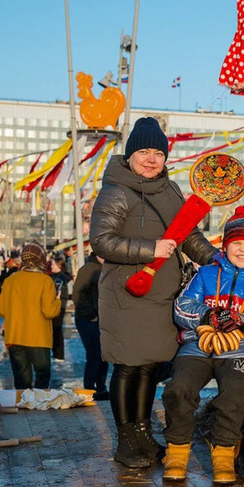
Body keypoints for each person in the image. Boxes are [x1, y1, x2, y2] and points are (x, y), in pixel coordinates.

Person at [90, 117, 218, 469]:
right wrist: (151, 249)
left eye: (158, 153)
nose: (151, 159)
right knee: (127, 368)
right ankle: (126, 439)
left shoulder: (172, 190)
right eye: (144, 151)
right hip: (126, 296)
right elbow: (101, 241)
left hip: (161, 298)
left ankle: (144, 432)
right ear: (130, 155)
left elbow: (188, 237)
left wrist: (217, 260)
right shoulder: (116, 191)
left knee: (148, 368)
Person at [162, 206, 244, 484]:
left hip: (239, 349)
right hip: (198, 345)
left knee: (235, 394)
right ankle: (177, 450)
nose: (242, 250)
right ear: (224, 246)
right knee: (179, 389)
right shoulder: (205, 275)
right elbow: (182, 307)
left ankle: (223, 453)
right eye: (236, 243)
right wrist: (206, 315)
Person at [0, 241, 62, 389]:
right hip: (38, 338)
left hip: (15, 337)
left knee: (21, 380)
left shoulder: (10, 281)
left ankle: (23, 407)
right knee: (42, 377)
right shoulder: (45, 281)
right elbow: (49, 311)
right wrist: (57, 301)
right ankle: (39, 408)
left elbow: (1, 310)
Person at [72, 252, 109, 399]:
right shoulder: (89, 269)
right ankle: (91, 389)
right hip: (88, 319)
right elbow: (78, 295)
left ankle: (100, 388)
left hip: (98, 318)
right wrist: (91, 314)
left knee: (102, 354)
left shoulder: (102, 268)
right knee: (95, 354)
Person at [49, 254, 71, 361]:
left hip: (59, 305)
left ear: (58, 265)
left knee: (56, 329)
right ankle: (57, 352)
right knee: (55, 329)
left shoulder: (59, 278)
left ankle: (59, 354)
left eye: (53, 264)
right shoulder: (58, 276)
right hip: (59, 305)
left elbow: (56, 292)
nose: (51, 266)